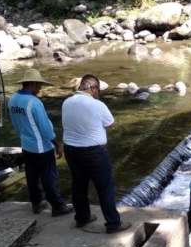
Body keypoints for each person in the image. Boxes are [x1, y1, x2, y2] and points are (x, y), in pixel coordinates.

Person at [62, 74, 131, 233]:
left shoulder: (67, 102)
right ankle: (113, 224)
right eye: (98, 89)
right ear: (93, 88)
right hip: (93, 153)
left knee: (78, 185)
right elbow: (110, 124)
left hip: (71, 151)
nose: (98, 92)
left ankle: (82, 218)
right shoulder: (97, 105)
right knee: (105, 187)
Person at [8, 69, 73, 217]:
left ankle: (36, 203)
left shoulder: (12, 100)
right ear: (32, 83)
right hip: (41, 147)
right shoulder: (34, 103)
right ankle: (57, 206)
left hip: (26, 145)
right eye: (39, 85)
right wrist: (57, 144)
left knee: (32, 176)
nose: (40, 88)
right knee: (48, 177)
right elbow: (45, 128)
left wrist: (23, 138)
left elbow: (16, 124)